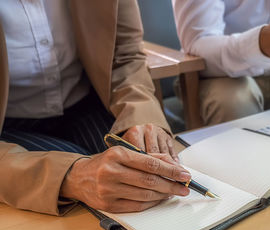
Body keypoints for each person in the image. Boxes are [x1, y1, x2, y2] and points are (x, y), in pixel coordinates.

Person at [0, 0, 191, 215]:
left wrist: (141, 115)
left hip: (90, 101)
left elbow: (125, 55)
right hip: (8, 128)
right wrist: (68, 176)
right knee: (93, 198)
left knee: (136, 176)